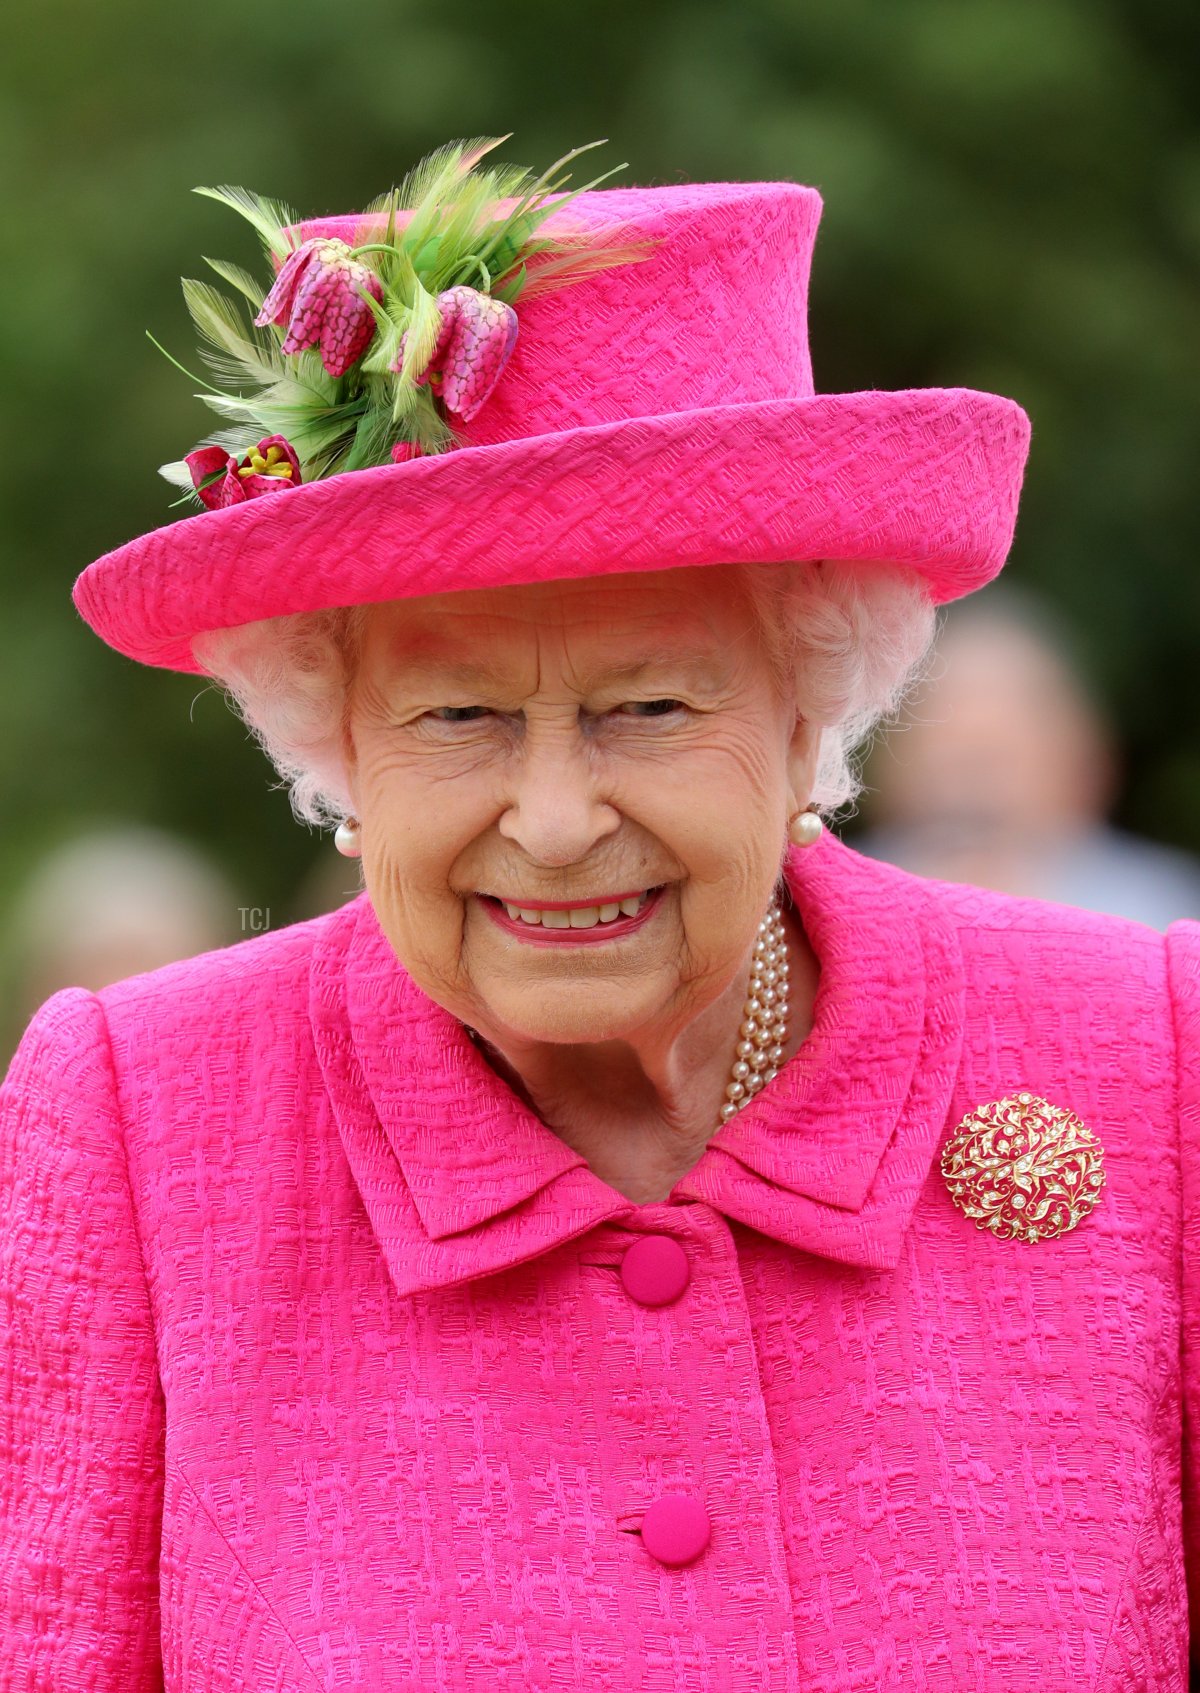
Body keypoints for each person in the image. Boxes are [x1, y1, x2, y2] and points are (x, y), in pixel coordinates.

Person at [2, 137, 1198, 1690]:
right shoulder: (142, 1123)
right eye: (458, 717)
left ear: (808, 718)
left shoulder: (1155, 1058)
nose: (556, 821)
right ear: (336, 741)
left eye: (648, 707)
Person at [856, 582, 1200, 926]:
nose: (973, 793)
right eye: (949, 761)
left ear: (1082, 763)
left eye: (998, 760)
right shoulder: (851, 904)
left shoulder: (1157, 912)